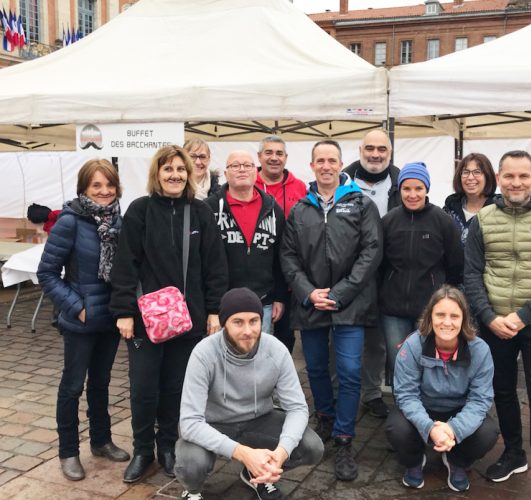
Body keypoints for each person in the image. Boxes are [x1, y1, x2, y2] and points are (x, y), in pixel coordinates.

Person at [110, 145, 228, 483]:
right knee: (143, 388)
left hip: (187, 321)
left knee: (176, 388)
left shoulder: (201, 212)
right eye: (168, 169)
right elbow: (126, 263)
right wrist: (123, 311)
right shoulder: (140, 211)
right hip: (146, 321)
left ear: (189, 174)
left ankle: (167, 446)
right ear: (156, 174)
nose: (175, 175)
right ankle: (143, 449)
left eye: (180, 169)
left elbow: (215, 266)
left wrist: (214, 309)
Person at [464, 150, 531, 500]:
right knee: (502, 391)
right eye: (509, 176)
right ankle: (514, 454)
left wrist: (523, 315)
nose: (516, 183)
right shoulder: (482, 219)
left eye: (523, 176)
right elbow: (472, 275)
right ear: (499, 178)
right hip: (495, 323)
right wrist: (489, 317)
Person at [281, 140, 382, 481]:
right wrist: (309, 293)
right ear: (311, 166)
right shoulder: (299, 209)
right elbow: (289, 256)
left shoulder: (361, 204)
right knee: (316, 369)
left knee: (350, 371)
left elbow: (371, 252)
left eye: (332, 160)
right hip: (312, 306)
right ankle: (323, 417)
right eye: (320, 160)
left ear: (341, 165)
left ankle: (344, 438)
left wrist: (340, 293)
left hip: (350, 305)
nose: (326, 165)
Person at [175, 288, 324, 500]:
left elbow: (298, 408)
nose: (248, 330)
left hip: (258, 420)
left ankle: (257, 474)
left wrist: (280, 453)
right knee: (191, 464)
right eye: (238, 322)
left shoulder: (276, 350)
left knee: (312, 447)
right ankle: (193, 491)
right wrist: (244, 453)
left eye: (254, 321)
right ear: (224, 322)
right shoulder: (203, 353)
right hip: (212, 423)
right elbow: (190, 423)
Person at [37, 159, 129, 481]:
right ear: (84, 188)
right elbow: (47, 273)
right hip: (81, 320)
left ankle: (101, 441)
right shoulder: (70, 221)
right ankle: (68, 451)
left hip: (111, 318)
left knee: (101, 383)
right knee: (72, 386)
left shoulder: (120, 220)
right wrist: (77, 307)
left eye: (109, 185)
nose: (104, 191)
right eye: (96, 186)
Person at [386, 285, 499, 492]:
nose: (447, 322)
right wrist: (430, 428)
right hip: (423, 406)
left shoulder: (480, 350)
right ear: (430, 317)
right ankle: (414, 461)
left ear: (464, 319)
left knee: (488, 432)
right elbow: (406, 395)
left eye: (454, 316)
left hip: (459, 410)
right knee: (396, 427)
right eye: (440, 315)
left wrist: (453, 429)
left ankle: (457, 460)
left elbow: (480, 400)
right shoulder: (413, 346)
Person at [380, 161, 463, 384]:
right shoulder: (388, 221)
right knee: (399, 363)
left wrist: (440, 295)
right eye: (407, 189)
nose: (413, 194)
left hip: (429, 310)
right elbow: (379, 264)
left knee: (429, 364)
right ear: (399, 190)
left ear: (427, 189)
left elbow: (456, 264)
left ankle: (429, 414)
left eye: (418, 188)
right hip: (393, 311)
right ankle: (402, 412)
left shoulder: (442, 221)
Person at [343, 129, 401, 418]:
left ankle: (372, 393)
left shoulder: (402, 182)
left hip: (387, 275)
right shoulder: (343, 181)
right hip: (347, 275)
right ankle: (342, 393)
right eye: (370, 148)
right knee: (341, 338)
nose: (375, 154)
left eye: (382, 149)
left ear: (389, 153)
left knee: (377, 340)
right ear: (360, 149)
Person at [205, 150, 286, 336]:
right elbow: (202, 260)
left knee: (256, 359)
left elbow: (281, 257)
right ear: (226, 173)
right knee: (221, 359)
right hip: (221, 304)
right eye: (235, 166)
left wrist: (279, 297)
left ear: (255, 171)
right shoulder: (209, 209)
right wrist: (210, 307)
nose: (242, 170)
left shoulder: (273, 210)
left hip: (261, 302)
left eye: (247, 165)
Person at [255, 135, 307, 354]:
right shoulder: (248, 183)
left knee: (285, 334)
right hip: (260, 272)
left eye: (279, 153)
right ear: (259, 156)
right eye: (269, 152)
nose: (274, 158)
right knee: (255, 333)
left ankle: (279, 378)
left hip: (290, 274)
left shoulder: (300, 187)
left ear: (286, 158)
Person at [443, 152, 497, 245]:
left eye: (477, 172)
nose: (470, 177)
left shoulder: (497, 210)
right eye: (465, 172)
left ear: (487, 176)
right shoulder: (449, 208)